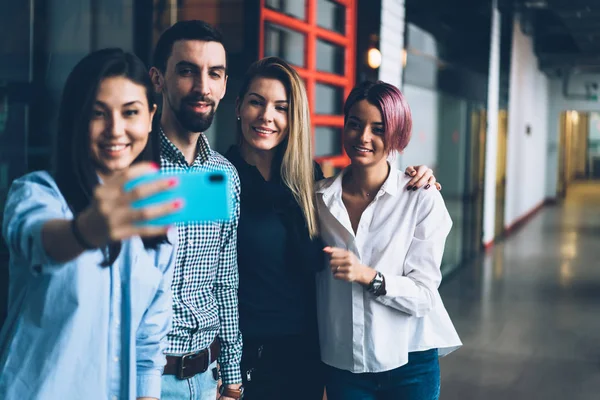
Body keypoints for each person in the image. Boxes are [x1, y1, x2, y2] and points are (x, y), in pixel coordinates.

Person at [224, 57, 442, 400]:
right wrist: (227, 368)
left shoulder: (306, 181)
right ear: (238, 106)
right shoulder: (221, 178)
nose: (267, 116)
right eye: (256, 102)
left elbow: (425, 292)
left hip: (314, 354)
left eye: (281, 107)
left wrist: (421, 178)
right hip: (253, 356)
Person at [0, 48, 178, 400]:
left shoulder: (157, 220)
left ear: (151, 116)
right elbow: (39, 239)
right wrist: (86, 230)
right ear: (76, 119)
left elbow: (148, 345)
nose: (116, 129)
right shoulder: (37, 193)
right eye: (98, 113)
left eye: (130, 113)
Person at [315, 81, 462, 400]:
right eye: (354, 124)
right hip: (344, 362)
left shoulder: (420, 197)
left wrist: (367, 275)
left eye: (378, 128)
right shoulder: (318, 199)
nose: (363, 137)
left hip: (409, 361)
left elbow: (424, 294)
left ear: (397, 134)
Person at [149, 20, 243, 400]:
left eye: (214, 74)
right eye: (187, 71)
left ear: (223, 84)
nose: (202, 87)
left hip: (207, 380)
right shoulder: (135, 167)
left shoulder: (222, 175)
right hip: (144, 380)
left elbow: (225, 280)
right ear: (158, 79)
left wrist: (233, 379)